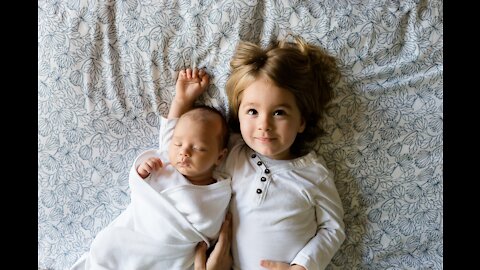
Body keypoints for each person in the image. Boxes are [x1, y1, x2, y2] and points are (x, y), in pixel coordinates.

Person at [182, 36, 346, 270]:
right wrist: (183, 102)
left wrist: (302, 266)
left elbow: (333, 229)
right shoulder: (230, 154)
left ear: (301, 121)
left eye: (279, 112)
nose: (264, 125)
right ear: (238, 115)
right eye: (252, 111)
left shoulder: (313, 174)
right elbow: (184, 149)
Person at [70, 68, 232, 270]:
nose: (184, 153)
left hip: (168, 254)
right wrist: (182, 99)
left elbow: (211, 229)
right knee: (107, 246)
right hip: (135, 237)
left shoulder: (220, 190)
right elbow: (171, 130)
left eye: (198, 148)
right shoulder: (165, 162)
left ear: (220, 156)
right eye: (178, 144)